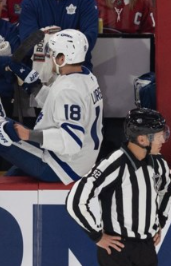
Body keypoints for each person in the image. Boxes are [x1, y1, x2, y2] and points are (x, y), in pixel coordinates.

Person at [66, 108, 171, 266]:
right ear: (143, 139)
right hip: (117, 250)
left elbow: (169, 189)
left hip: (146, 250)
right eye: (160, 134)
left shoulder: (158, 163)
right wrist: (96, 235)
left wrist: (158, 222)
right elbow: (76, 199)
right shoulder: (115, 163)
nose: (163, 139)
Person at [0, 29, 103, 183]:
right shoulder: (84, 75)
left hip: (62, 165)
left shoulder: (69, 90)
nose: (49, 57)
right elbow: (57, 104)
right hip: (77, 159)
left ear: (63, 58)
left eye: (53, 53)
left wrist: (27, 134)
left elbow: (71, 141)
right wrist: (34, 85)